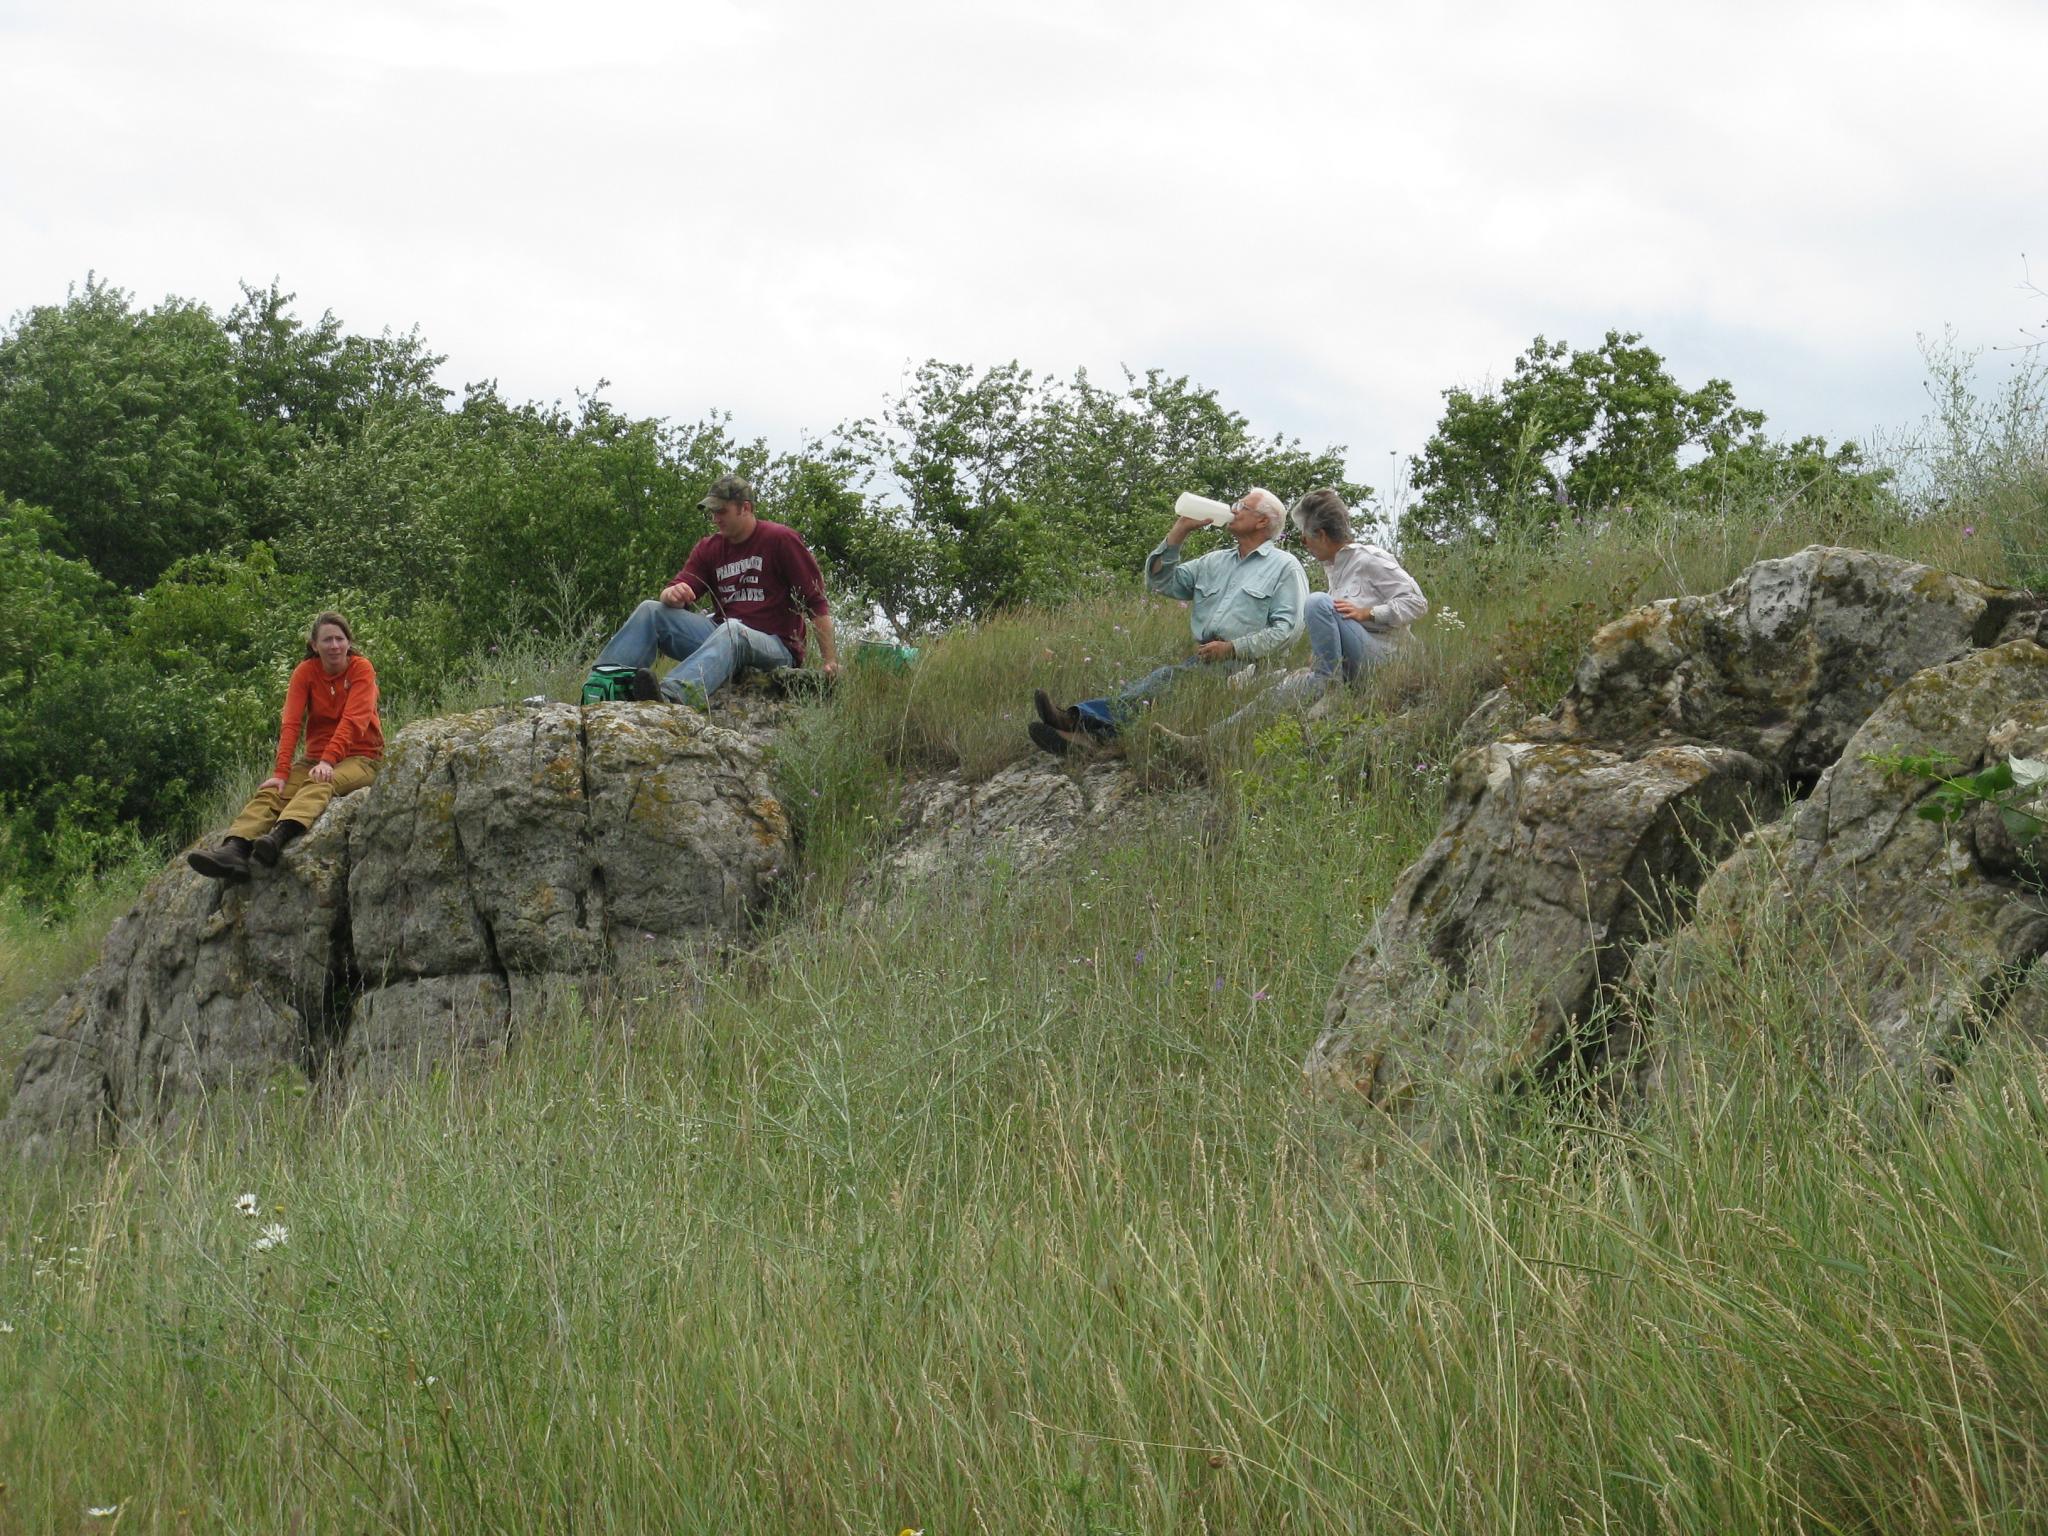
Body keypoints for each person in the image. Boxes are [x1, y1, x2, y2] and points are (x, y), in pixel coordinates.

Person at [1030, 489, 1308, 755]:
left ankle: (1075, 719)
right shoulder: (1214, 562)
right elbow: (1161, 582)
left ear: (1262, 521)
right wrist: (1179, 532)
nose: (1233, 510)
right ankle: (1087, 738)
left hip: (1250, 668)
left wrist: (1233, 648)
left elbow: (1289, 630)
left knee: (1163, 680)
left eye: (1242, 507)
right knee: (1151, 686)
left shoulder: (1285, 567)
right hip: (1205, 660)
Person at [589, 473, 840, 708]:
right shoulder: (709, 548)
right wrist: (673, 594)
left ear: (746, 508)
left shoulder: (780, 539)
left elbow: (815, 602)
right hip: (722, 637)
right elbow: (679, 587)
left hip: (775, 646)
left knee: (732, 630)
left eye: (722, 511)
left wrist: (830, 662)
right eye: (712, 512)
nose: (715, 518)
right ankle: (600, 688)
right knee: (651, 610)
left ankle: (670, 696)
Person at [187, 611, 384, 881]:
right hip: (314, 759)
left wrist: (328, 761)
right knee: (271, 793)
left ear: (349, 642)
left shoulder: (361, 669)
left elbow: (354, 720)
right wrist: (280, 773)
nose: (335, 645)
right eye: (327, 640)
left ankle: (278, 836)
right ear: (314, 645)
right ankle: (235, 849)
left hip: (362, 757)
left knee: (320, 784)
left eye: (340, 639)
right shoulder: (305, 672)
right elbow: (291, 724)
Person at [1285, 487, 1428, 691]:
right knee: (1277, 691)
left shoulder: (1368, 559)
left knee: (1317, 602)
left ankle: (1327, 686)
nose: (1305, 544)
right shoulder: (1335, 570)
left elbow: (1417, 603)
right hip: (1360, 658)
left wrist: (1369, 613)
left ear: (1321, 535)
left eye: (1304, 538)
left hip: (1388, 658)